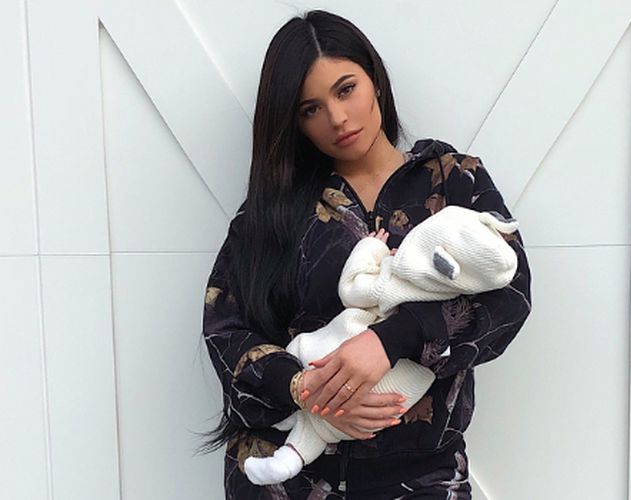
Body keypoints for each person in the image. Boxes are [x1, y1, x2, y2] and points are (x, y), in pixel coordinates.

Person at [198, 9, 532, 499]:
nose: (336, 118)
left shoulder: (453, 181)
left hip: (422, 475)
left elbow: (510, 294)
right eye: (310, 109)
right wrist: (306, 391)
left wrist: (393, 339)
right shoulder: (272, 211)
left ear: (375, 79)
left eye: (346, 89)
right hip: (286, 478)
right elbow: (225, 328)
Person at [244, 207, 520, 485]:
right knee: (323, 427)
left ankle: (289, 445)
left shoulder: (394, 282)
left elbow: (352, 289)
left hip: (410, 462)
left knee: (312, 391)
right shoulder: (453, 291)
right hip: (393, 403)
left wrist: (372, 248)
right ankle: (291, 455)